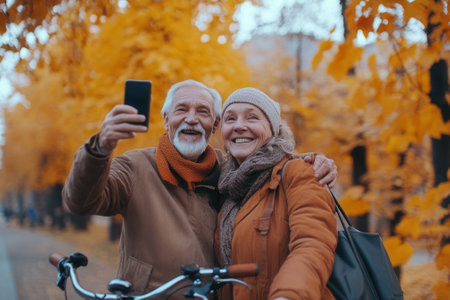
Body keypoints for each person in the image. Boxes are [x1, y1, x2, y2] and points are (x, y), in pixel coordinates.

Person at [62, 80, 337, 298]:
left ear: (214, 125)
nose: (191, 119)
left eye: (203, 112)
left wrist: (310, 162)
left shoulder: (229, 174)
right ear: (166, 119)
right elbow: (81, 202)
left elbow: (311, 241)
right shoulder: (135, 167)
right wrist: (99, 149)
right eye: (182, 110)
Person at [215, 88, 337, 300]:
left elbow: (314, 243)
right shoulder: (225, 188)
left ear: (272, 128)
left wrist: (289, 295)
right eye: (230, 118)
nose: (239, 126)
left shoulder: (298, 173)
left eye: (252, 117)